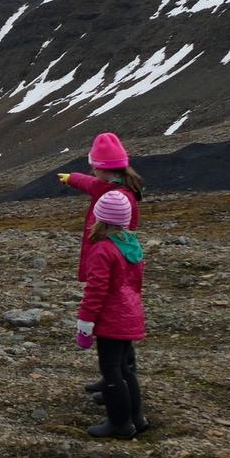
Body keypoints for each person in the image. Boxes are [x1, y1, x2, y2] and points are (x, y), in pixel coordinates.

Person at [57, 132, 145, 402]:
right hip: (122, 279)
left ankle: (116, 383)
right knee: (120, 335)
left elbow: (93, 185)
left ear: (101, 168)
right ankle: (114, 379)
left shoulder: (115, 196)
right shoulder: (114, 185)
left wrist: (84, 323)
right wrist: (72, 178)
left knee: (114, 338)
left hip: (113, 273)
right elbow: (90, 184)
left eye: (94, 166)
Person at [74, 190, 148, 438]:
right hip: (130, 314)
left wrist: (85, 322)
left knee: (111, 370)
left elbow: (96, 289)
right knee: (125, 369)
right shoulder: (131, 245)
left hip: (112, 320)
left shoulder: (103, 250)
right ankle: (137, 417)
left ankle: (120, 423)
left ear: (100, 219)